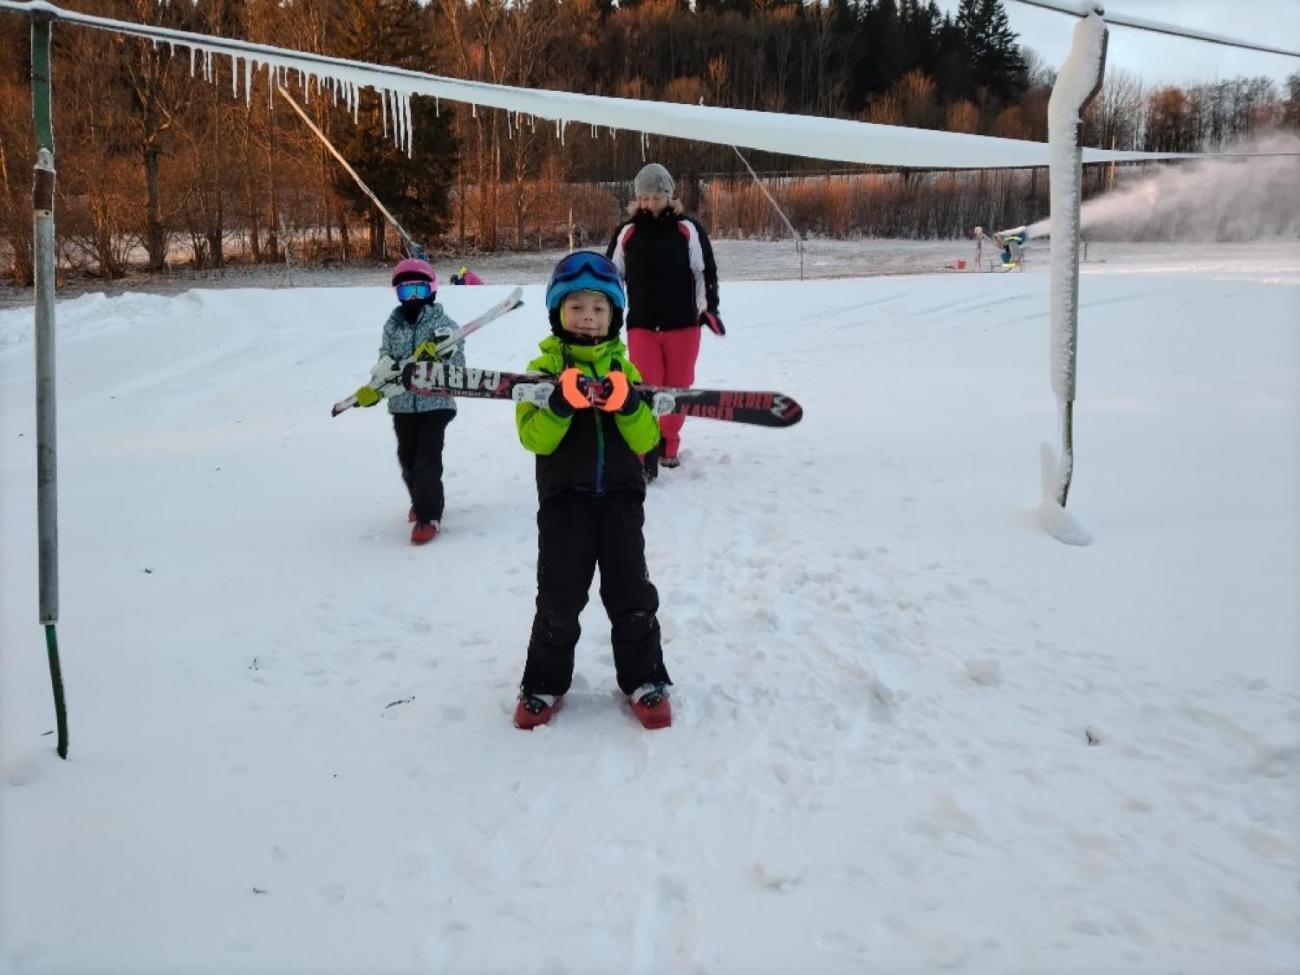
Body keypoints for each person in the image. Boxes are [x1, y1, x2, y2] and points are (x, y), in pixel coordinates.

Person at [512, 251, 672, 731]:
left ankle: (644, 678)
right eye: (577, 306)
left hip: (622, 502)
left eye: (599, 308)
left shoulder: (628, 372)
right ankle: (543, 682)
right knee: (559, 596)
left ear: (614, 317)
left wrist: (627, 405)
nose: (587, 317)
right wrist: (560, 403)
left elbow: (648, 442)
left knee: (632, 594)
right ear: (558, 312)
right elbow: (533, 439)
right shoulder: (539, 372)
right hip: (564, 506)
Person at [607, 162, 723, 480]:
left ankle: (669, 442)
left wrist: (708, 309)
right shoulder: (627, 233)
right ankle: (644, 450)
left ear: (670, 196)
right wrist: (607, 320)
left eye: (656, 197)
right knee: (645, 388)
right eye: (644, 198)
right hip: (642, 324)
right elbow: (610, 277)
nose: (650, 204)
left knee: (678, 386)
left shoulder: (688, 229)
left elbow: (704, 272)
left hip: (682, 325)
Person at [352, 258, 463, 544]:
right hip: (402, 405)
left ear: (432, 291)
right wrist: (375, 386)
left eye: (419, 290)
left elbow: (459, 365)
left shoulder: (444, 324)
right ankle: (420, 499)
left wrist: (441, 354)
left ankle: (430, 515)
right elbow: (385, 359)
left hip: (435, 404)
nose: (413, 298)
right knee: (407, 460)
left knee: (427, 459)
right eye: (406, 292)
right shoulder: (392, 326)